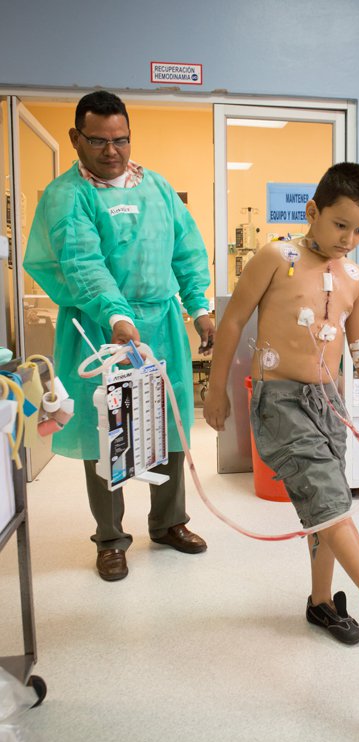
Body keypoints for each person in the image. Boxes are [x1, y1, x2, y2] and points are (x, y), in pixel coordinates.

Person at [204, 162, 359, 644]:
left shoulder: (353, 277)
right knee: (327, 496)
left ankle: (321, 603)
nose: (348, 238)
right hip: (280, 400)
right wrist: (216, 389)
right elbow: (231, 324)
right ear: (313, 211)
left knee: (328, 501)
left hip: (328, 403)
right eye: (339, 224)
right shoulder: (275, 257)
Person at [24, 91, 214, 582]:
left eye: (121, 140)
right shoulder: (67, 196)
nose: (112, 151)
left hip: (162, 325)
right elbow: (82, 264)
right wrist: (116, 317)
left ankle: (170, 523)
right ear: (76, 139)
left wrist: (199, 308)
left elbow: (188, 251)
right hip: (99, 329)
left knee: (166, 426)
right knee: (107, 435)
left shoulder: (157, 188)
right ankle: (110, 538)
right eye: (99, 141)